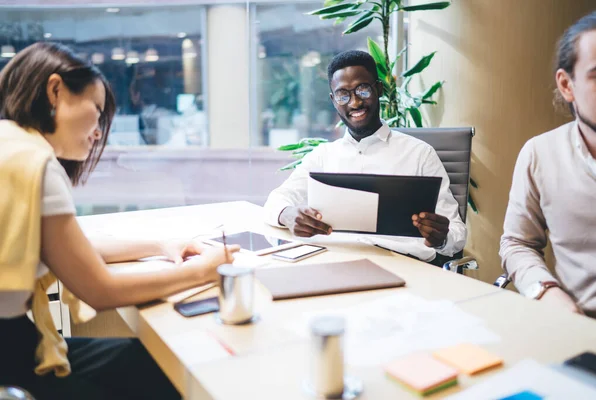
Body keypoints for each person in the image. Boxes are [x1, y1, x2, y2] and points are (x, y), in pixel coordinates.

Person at [0, 42, 240, 399]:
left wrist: (161, 245)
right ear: (55, 90)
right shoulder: (36, 163)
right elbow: (100, 290)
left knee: (142, 362)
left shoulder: (10, 145)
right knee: (165, 373)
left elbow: (66, 247)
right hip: (12, 355)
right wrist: (204, 271)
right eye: (97, 111)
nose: (98, 131)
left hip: (13, 341)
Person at [264, 50, 466, 264]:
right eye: (343, 94)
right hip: (333, 264)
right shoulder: (322, 157)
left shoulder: (419, 154)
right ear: (334, 101)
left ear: (378, 89)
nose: (354, 103)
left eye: (362, 89)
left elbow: (456, 232)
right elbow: (276, 201)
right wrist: (288, 214)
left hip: (400, 265)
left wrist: (441, 237)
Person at [500, 10, 596, 319]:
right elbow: (517, 243)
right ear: (567, 85)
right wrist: (544, 290)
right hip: (582, 332)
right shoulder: (540, 154)